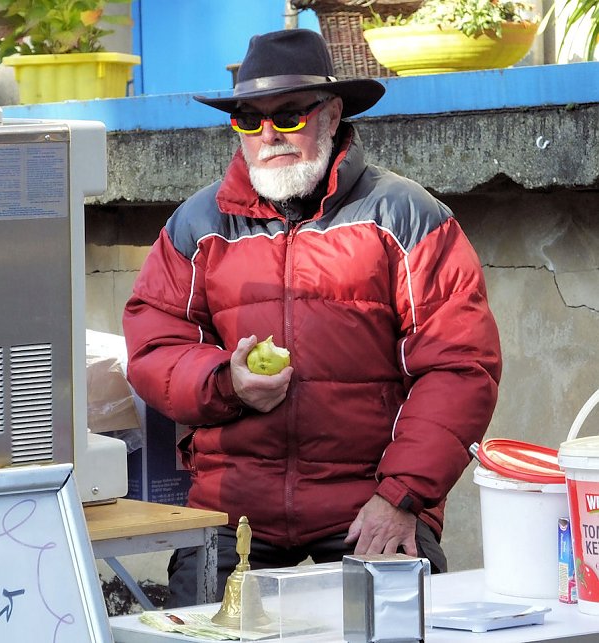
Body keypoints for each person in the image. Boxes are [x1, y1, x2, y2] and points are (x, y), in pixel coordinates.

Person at [122, 28, 502, 608]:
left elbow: (459, 366)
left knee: (399, 627)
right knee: (196, 631)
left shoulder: (405, 215)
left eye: (288, 116)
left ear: (332, 114)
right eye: (249, 120)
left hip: (370, 505)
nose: (268, 135)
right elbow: (154, 346)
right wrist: (225, 381)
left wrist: (401, 496)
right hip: (232, 511)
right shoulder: (197, 225)